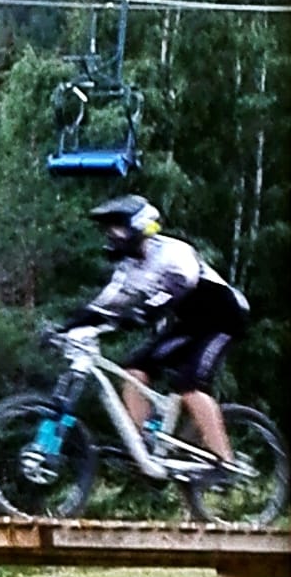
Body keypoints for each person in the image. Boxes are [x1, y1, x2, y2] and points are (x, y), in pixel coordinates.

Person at [77, 195, 249, 465]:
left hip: (224, 318)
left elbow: (181, 284)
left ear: (139, 226)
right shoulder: (129, 267)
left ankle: (225, 461)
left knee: (189, 384)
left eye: (117, 228)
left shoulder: (172, 250)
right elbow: (106, 304)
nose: (111, 235)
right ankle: (147, 448)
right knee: (134, 370)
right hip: (191, 325)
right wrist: (68, 328)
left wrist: (142, 312)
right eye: (108, 230)